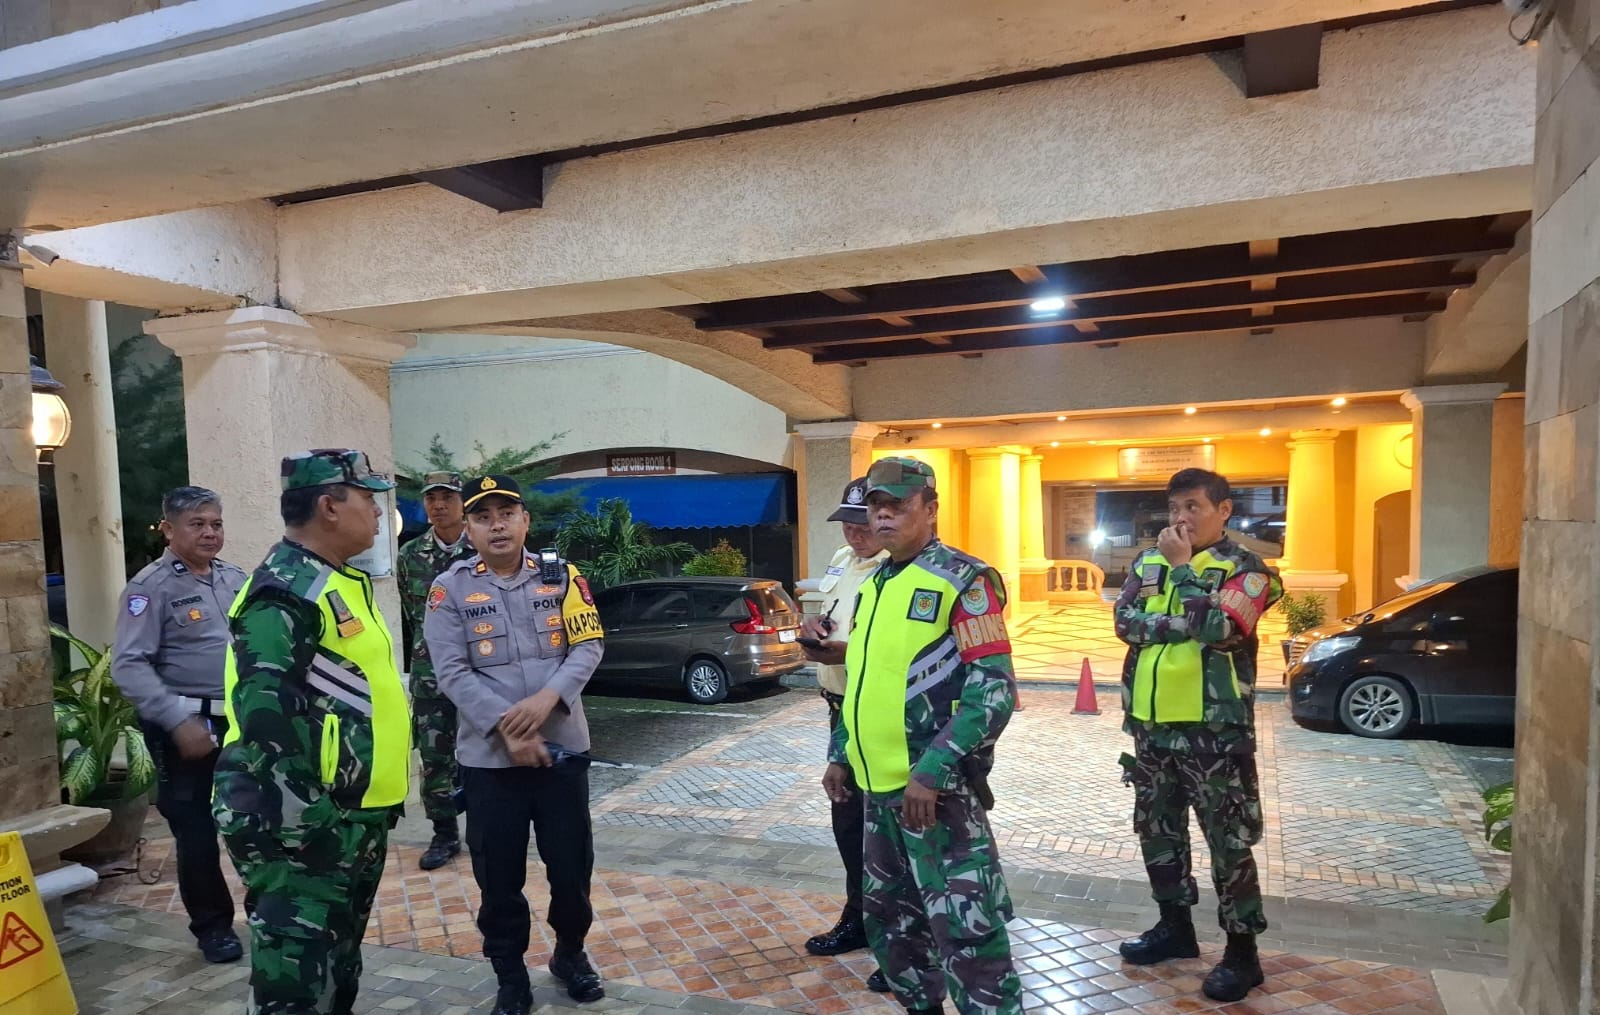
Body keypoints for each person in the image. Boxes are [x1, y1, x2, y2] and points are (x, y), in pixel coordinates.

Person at [809, 456, 1022, 1015]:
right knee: (894, 931)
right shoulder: (877, 582)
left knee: (969, 937)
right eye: (875, 507)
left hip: (935, 799)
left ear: (930, 509)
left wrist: (933, 770)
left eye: (897, 505)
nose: (882, 516)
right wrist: (841, 752)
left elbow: (994, 691)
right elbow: (864, 677)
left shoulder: (965, 580)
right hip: (879, 794)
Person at [212, 449, 411, 1015]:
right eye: (368, 499)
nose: (379, 512)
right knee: (295, 987)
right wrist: (314, 824)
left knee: (336, 971)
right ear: (329, 506)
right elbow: (265, 720)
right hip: (303, 827)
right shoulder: (285, 591)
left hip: (351, 816)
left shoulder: (336, 582)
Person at [423, 475, 607, 1014]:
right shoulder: (449, 590)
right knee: (498, 877)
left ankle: (570, 954)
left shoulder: (563, 576)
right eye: (483, 517)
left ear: (525, 521)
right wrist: (508, 728)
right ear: (469, 529)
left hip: (561, 754)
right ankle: (510, 976)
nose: (496, 525)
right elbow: (451, 672)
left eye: (506, 513)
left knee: (571, 869)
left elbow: (588, 645)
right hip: (491, 763)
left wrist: (547, 699)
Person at [1112, 467, 1284, 1003]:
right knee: (1158, 831)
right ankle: (1175, 928)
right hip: (1151, 727)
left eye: (1193, 507)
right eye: (1174, 508)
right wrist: (1186, 622)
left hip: (1214, 734)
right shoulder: (1148, 562)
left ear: (1223, 510)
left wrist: (1184, 573)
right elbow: (1125, 622)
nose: (1181, 518)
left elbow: (1221, 629)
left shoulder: (1248, 570)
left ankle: (1242, 954)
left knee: (1228, 842)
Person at [111, 486, 247, 964]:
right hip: (184, 729)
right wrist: (176, 720)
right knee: (196, 832)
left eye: (216, 523)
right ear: (169, 529)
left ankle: (266, 911)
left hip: (237, 723)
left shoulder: (234, 578)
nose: (210, 533)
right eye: (197, 524)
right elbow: (129, 665)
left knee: (252, 820)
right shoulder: (149, 588)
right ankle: (213, 928)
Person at [797, 476, 890, 994]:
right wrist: (812, 629)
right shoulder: (842, 559)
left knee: (889, 833)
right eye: (847, 524)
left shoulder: (899, 570)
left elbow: (896, 651)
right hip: (840, 710)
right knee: (848, 821)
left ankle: (899, 938)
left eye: (863, 523)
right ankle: (859, 916)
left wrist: (847, 653)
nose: (854, 534)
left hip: (883, 716)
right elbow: (826, 612)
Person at [395, 469, 475, 869]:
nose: (438, 505)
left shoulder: (482, 550)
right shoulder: (409, 555)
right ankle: (444, 834)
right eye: (431, 498)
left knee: (486, 753)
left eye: (447, 497)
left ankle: (488, 827)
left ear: (462, 503)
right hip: (430, 675)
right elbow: (413, 615)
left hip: (480, 672)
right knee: (434, 759)